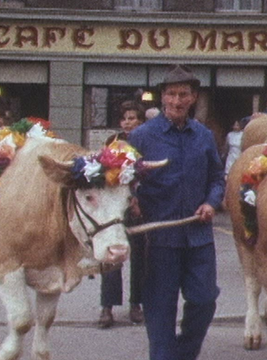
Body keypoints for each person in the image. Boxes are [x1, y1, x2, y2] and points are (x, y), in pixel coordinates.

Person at [128, 64, 225, 360]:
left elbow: (217, 178)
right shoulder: (142, 136)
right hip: (158, 240)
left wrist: (211, 201)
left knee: (205, 300)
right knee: (159, 311)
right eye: (171, 94)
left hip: (198, 236)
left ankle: (182, 354)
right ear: (162, 97)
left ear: (193, 97)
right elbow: (122, 179)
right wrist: (132, 197)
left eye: (183, 94)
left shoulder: (203, 136)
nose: (177, 101)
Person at [98, 100, 146, 328]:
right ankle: (107, 307)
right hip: (115, 209)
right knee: (111, 258)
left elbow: (148, 176)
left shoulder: (147, 142)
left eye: (133, 118)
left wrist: (139, 199)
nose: (128, 123)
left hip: (139, 207)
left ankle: (136, 303)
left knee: (139, 258)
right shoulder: (112, 144)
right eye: (125, 118)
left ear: (141, 121)